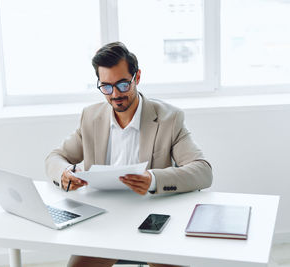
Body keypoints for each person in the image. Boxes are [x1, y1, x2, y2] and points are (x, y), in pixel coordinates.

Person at [45, 42, 213, 267]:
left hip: (153, 219)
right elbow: (55, 157)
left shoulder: (168, 118)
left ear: (137, 77)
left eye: (123, 84)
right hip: (104, 220)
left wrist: (153, 180)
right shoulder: (91, 117)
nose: (115, 94)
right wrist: (64, 173)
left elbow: (203, 171)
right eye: (106, 87)